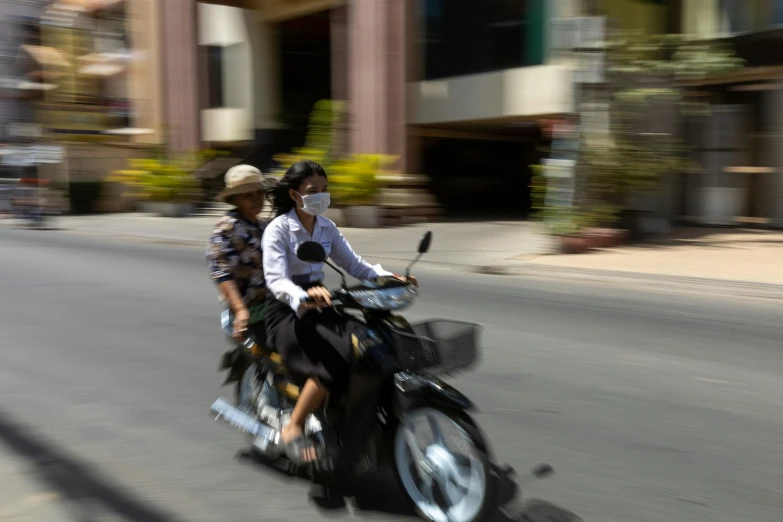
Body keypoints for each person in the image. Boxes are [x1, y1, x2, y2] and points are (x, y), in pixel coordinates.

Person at [262, 159, 415, 465]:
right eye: (312, 190)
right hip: (287, 311)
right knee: (336, 359)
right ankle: (295, 424)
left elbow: (356, 265)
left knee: (371, 345)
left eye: (325, 189)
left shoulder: (326, 227)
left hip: (322, 304)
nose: (321, 195)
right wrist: (303, 294)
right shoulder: (278, 229)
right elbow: (277, 280)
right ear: (294, 195)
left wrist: (391, 278)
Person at [206, 164, 269, 347]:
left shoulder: (265, 226)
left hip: (276, 304)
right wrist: (240, 310)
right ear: (235, 199)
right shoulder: (227, 227)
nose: (256, 199)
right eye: (248, 195)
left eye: (259, 193)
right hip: (250, 310)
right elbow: (221, 272)